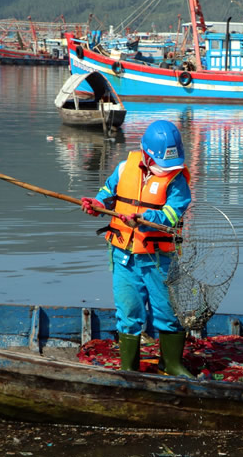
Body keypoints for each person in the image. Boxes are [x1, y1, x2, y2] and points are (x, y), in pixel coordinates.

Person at [80, 119, 195, 376]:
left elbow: (172, 215)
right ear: (146, 155)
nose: (167, 169)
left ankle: (170, 364)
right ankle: (129, 368)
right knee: (128, 311)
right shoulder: (124, 168)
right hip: (123, 255)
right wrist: (97, 204)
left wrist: (143, 219)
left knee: (167, 310)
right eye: (162, 164)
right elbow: (108, 192)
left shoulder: (177, 180)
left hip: (159, 258)